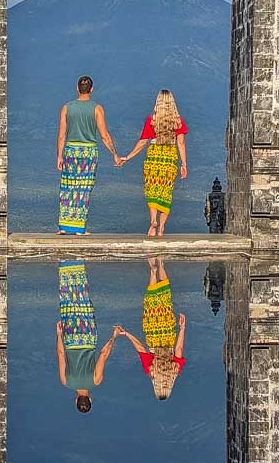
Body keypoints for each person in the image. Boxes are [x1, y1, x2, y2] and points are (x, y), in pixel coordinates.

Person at [114, 257, 186, 400]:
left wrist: (182, 328)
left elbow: (178, 349)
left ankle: (161, 265)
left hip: (168, 334)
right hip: (153, 334)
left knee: (165, 296)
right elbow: (140, 348)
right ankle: (153, 273)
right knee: (151, 300)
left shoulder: (175, 370)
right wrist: (126, 334)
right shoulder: (150, 370)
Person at [56, 75, 122, 234]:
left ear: (77, 88)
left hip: (71, 150)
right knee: (83, 189)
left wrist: (59, 155)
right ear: (91, 89)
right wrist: (115, 154)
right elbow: (104, 135)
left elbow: (62, 135)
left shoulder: (66, 107)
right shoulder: (97, 108)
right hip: (88, 152)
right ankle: (79, 228)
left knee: (68, 187)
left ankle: (64, 227)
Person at [118, 89, 188, 236]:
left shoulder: (152, 121)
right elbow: (180, 143)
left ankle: (153, 222)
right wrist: (184, 165)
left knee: (152, 190)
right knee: (166, 192)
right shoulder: (178, 122)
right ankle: (162, 227)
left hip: (154, 156)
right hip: (169, 157)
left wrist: (128, 157)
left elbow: (143, 141)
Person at [56, 261, 117, 413]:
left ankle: (78, 264)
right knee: (68, 302)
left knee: (83, 301)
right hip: (70, 340)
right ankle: (65, 266)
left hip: (88, 339)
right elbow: (61, 354)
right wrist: (59, 335)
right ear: (76, 400)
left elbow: (103, 355)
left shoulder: (96, 381)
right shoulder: (66, 382)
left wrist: (113, 337)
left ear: (90, 400)